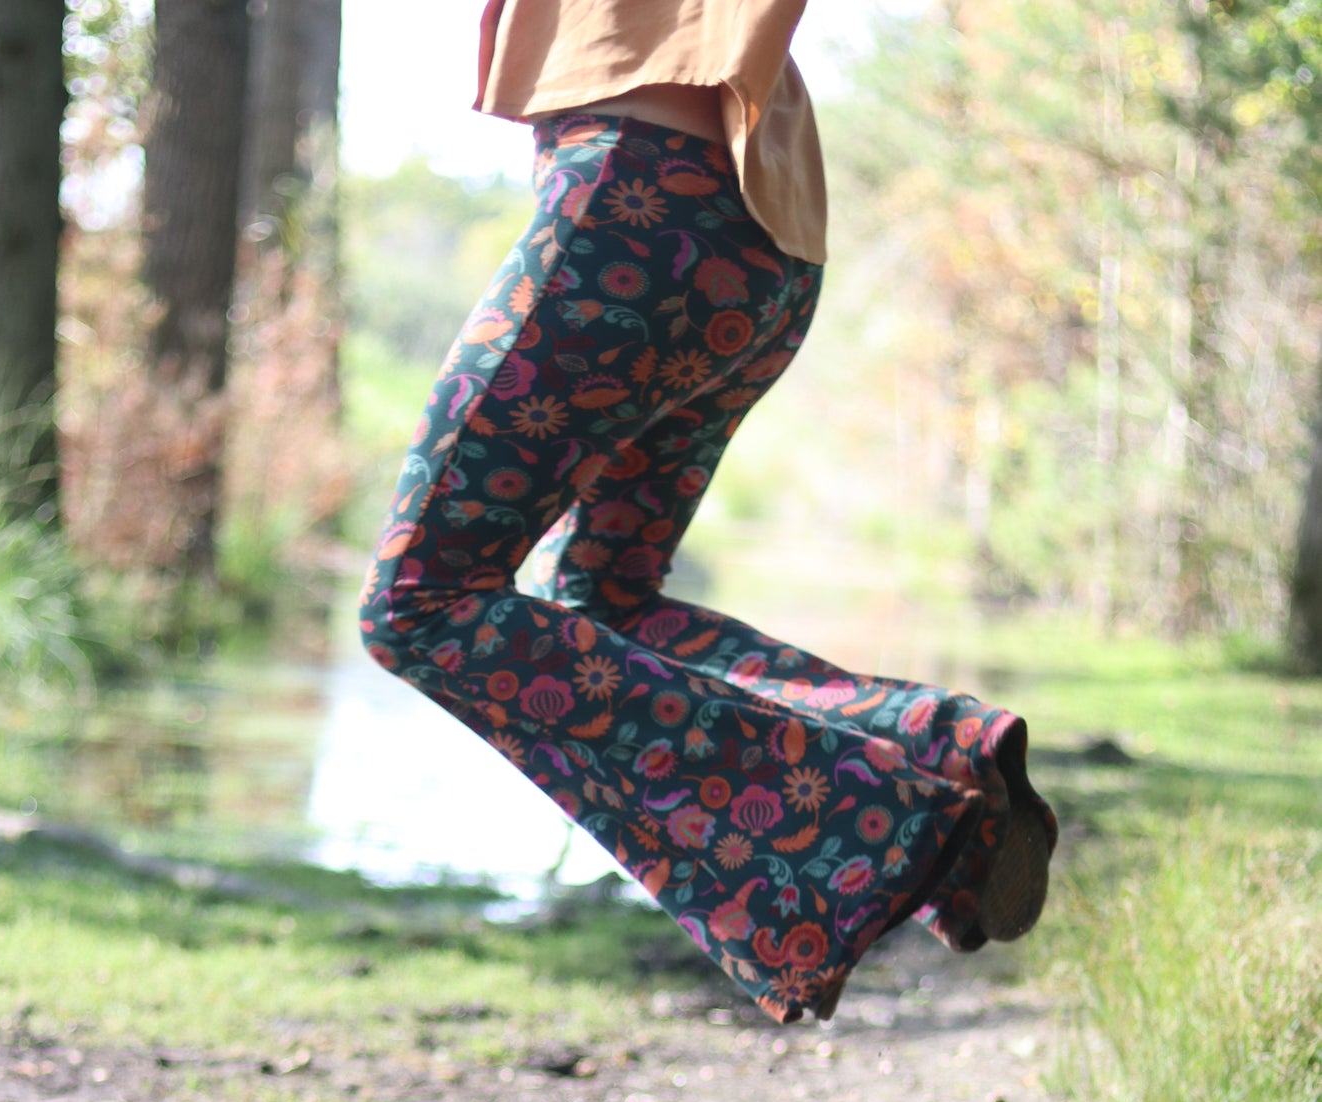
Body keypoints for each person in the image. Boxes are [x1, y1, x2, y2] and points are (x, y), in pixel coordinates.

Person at [360, 0, 1056, 1024]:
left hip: (636, 200)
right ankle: (933, 750)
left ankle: (881, 819)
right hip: (757, 240)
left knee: (417, 603)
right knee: (608, 602)